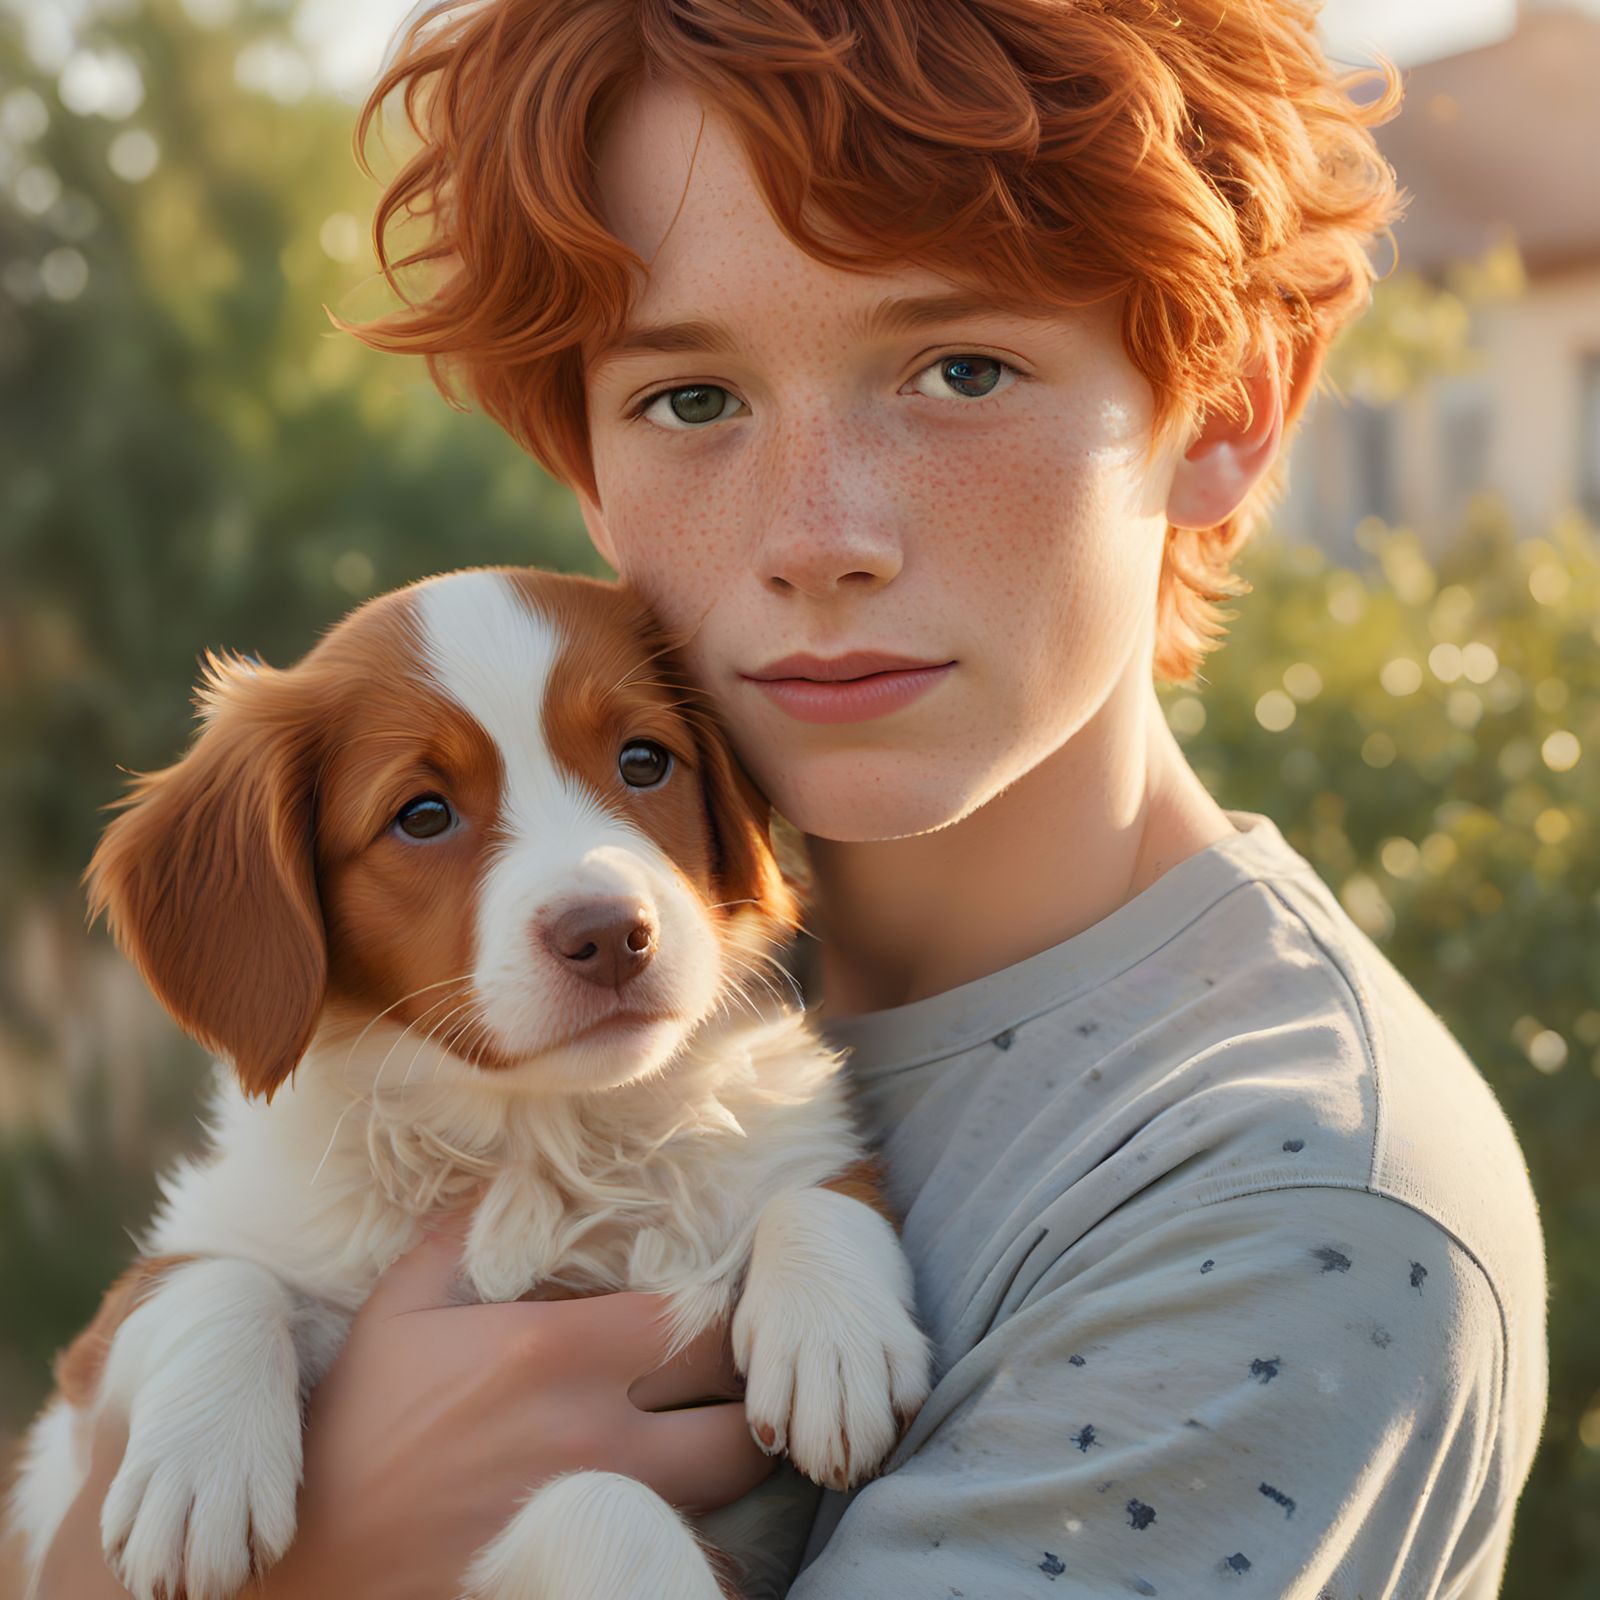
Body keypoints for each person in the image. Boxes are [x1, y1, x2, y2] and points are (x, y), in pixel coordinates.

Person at [39, 1, 1548, 1596]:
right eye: (691, 399)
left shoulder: (1285, 1215)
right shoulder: (556, 1016)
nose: (816, 534)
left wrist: (315, 1563)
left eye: (961, 367)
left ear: (1227, 407)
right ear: (587, 463)